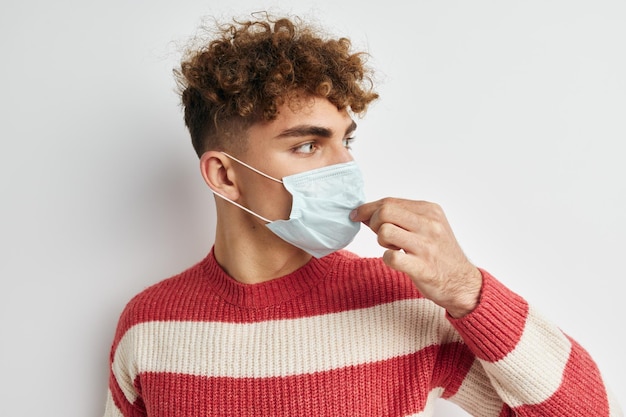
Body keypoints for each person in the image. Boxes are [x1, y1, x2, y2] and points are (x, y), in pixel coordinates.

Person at [103, 13, 621, 417]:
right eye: (308, 146)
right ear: (224, 176)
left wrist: (467, 289)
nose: (345, 166)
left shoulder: (400, 300)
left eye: (345, 141)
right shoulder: (149, 326)